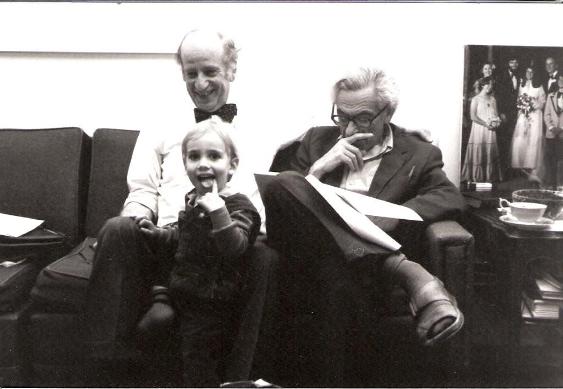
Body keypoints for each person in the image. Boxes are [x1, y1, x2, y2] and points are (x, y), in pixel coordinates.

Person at [82, 29, 277, 385]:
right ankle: (107, 370)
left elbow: (269, 200)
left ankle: (239, 380)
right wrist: (138, 221)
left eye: (210, 71)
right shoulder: (160, 124)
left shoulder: (265, 129)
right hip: (169, 241)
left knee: (265, 256)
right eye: (191, 73)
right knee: (116, 228)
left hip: (231, 246)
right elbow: (140, 191)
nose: (200, 84)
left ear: (231, 69)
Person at [262, 67, 466, 386]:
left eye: (363, 119)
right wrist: (318, 169)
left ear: (388, 113)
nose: (348, 128)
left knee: (337, 278)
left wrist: (397, 212)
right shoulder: (317, 140)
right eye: (341, 117)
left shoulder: (417, 152)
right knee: (286, 183)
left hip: (352, 275)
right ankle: (401, 269)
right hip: (308, 259)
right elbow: (282, 199)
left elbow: (449, 195)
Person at [136, 117, 261, 387]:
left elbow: (236, 247)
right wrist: (160, 233)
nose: (203, 163)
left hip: (211, 300)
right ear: (186, 165)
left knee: (198, 357)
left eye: (214, 156)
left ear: (232, 165)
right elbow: (186, 234)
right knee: (165, 343)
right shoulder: (193, 198)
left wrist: (219, 213)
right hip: (184, 290)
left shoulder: (239, 205)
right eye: (194, 156)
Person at [461, 76, 502, 183]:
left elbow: (496, 114)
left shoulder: (493, 99)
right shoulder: (475, 99)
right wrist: (485, 124)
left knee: (489, 153)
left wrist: (496, 122)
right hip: (479, 130)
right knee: (479, 151)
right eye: (489, 84)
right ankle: (477, 177)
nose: (491, 86)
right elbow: (473, 117)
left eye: (492, 84)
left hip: (490, 131)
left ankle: (489, 176)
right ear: (483, 85)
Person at [511, 66, 546, 180]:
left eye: (531, 71)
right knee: (521, 139)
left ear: (534, 73)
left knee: (533, 139)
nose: (529, 73)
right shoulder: (522, 85)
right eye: (527, 71)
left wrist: (533, 105)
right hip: (523, 115)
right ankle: (520, 166)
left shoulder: (539, 86)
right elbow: (518, 99)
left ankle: (531, 166)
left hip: (535, 116)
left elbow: (542, 101)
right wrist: (522, 106)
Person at [496, 56, 521, 178]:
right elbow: (498, 95)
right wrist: (501, 112)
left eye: (516, 62)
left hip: (514, 114)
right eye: (512, 61)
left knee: (513, 142)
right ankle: (502, 172)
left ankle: (510, 171)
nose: (514, 64)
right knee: (503, 142)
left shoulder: (519, 76)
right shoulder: (501, 76)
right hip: (504, 114)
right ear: (508, 63)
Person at [543, 73, 563, 188]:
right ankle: (551, 184)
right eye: (559, 79)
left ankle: (561, 185)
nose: (561, 81)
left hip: (562, 133)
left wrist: (561, 129)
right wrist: (551, 128)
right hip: (551, 133)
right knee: (551, 159)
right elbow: (547, 115)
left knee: (561, 159)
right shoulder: (551, 96)